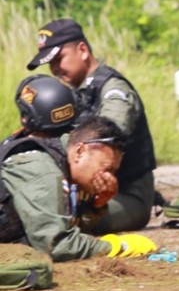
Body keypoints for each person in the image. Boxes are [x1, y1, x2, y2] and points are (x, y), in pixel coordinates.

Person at [0, 79, 158, 261]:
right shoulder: (42, 169)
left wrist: (95, 206)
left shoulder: (56, 164)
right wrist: (117, 246)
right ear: (80, 151)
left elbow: (62, 227)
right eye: (106, 168)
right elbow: (57, 245)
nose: (107, 176)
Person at [27, 19, 157, 233]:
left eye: (59, 59)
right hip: (86, 193)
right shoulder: (74, 92)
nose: (55, 68)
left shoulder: (114, 91)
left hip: (126, 195)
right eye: (50, 63)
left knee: (58, 226)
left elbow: (108, 134)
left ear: (83, 50)